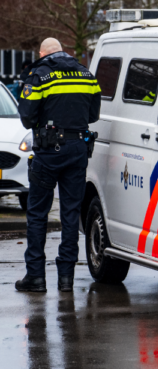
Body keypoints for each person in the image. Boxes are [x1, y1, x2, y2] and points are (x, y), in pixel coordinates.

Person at [15, 38, 101, 293]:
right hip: (77, 150)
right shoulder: (87, 75)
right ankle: (66, 279)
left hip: (48, 152)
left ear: (43, 53)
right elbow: (93, 115)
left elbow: (27, 118)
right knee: (70, 214)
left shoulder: (39, 76)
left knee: (37, 214)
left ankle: (36, 277)